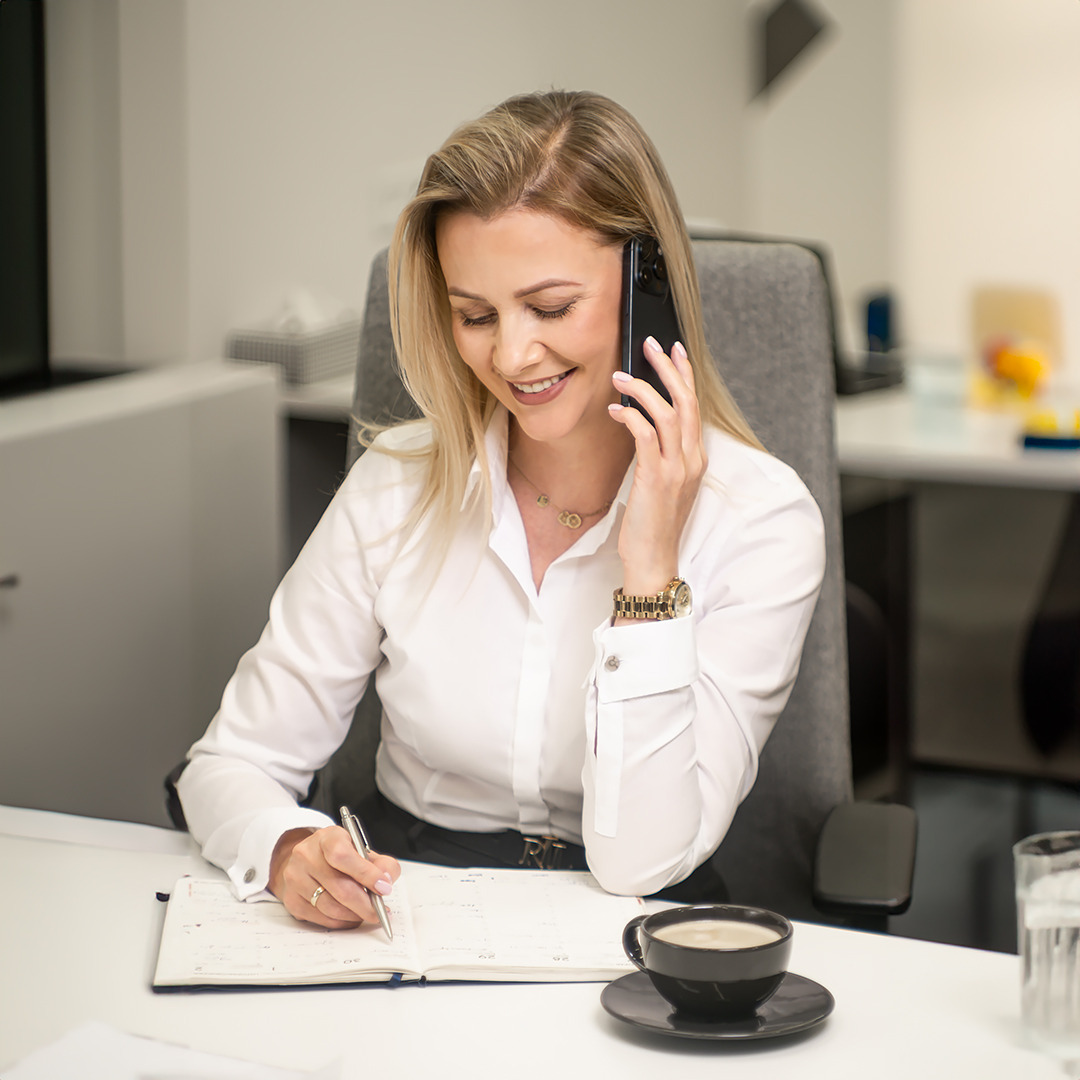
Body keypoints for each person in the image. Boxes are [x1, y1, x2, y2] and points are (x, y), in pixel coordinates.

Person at [177, 89, 826, 931]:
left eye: (552, 308)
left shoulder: (761, 520)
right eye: (474, 315)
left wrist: (650, 574)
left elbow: (643, 862)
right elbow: (230, 764)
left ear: (647, 291)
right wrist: (284, 846)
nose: (513, 356)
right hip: (409, 910)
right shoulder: (398, 483)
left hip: (633, 930)